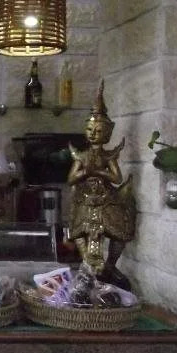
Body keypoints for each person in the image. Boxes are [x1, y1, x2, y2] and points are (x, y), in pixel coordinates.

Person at [67, 80, 136, 290]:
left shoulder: (109, 155)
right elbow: (71, 178)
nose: (93, 134)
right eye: (90, 130)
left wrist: (96, 171)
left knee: (119, 232)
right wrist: (84, 171)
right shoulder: (81, 155)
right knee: (78, 232)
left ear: (107, 133)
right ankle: (87, 265)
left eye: (98, 131)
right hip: (85, 198)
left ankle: (110, 266)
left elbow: (116, 178)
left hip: (106, 198)